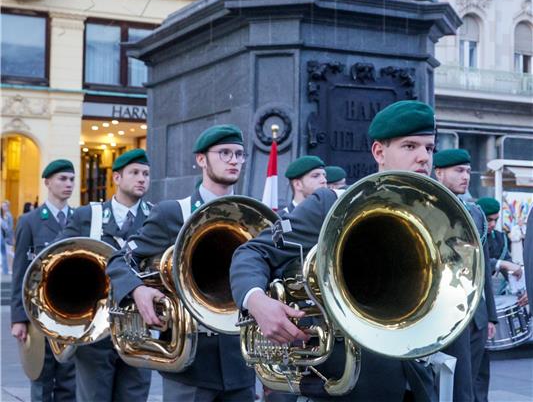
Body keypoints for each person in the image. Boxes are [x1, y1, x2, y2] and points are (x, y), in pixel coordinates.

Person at [230, 99, 439, 402]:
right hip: (350, 385)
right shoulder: (329, 205)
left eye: (429, 148)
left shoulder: (436, 213)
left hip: (415, 384)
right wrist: (257, 301)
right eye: (410, 147)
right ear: (379, 152)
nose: (423, 157)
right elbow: (252, 252)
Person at [107, 124, 256, 402]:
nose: (234, 160)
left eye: (239, 154)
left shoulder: (251, 214)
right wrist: (137, 289)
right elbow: (119, 260)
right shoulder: (172, 212)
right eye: (224, 153)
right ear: (201, 159)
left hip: (240, 360)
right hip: (191, 363)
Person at [61, 148, 153, 402]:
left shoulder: (156, 216)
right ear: (117, 178)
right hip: (94, 329)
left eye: (146, 173)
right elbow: (55, 259)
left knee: (134, 397)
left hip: (139, 330)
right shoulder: (87, 215)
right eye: (134, 173)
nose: (141, 178)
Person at [433, 150, 498, 402]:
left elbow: (480, 267)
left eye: (468, 171)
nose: (466, 176)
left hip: (476, 317)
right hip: (443, 315)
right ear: (439, 172)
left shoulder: (475, 212)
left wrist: (489, 315)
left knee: (474, 385)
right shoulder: (427, 206)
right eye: (459, 171)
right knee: (445, 386)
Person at [11, 159, 77, 401]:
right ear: (47, 182)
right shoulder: (30, 221)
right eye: (62, 179)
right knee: (40, 380)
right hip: (38, 315)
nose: (68, 184)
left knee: (70, 383)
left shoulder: (80, 218)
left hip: (72, 314)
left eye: (71, 179)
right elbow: (20, 272)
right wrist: (19, 319)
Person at [474, 196, 526, 402]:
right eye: (489, 220)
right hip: (478, 302)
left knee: (482, 368)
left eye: (495, 219)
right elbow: (483, 261)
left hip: (495, 300)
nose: (492, 224)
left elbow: (511, 267)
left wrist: (520, 288)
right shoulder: (474, 232)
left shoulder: (501, 238)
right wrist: (502, 264)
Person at [1, 200, 14, 274]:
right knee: (4, 254)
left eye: (4, 206)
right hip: (2, 238)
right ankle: (4, 270)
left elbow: (9, 228)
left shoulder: (9, 216)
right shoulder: (2, 215)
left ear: (8, 207)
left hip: (7, 238)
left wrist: (2, 223)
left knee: (8, 253)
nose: (3, 207)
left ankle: (7, 270)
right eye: (2, 206)